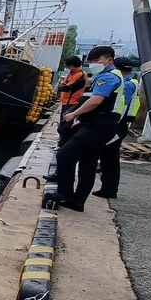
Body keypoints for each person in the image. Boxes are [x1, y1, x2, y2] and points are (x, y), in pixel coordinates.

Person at [53, 46, 121, 212]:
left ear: (109, 60)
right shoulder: (115, 75)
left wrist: (74, 114)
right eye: (91, 61)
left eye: (97, 61)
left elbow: (96, 101)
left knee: (64, 155)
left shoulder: (108, 77)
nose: (93, 64)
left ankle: (64, 194)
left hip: (98, 126)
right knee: (87, 163)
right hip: (103, 124)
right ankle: (77, 202)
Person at [94, 57, 141, 198]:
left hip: (117, 124)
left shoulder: (126, 85)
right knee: (109, 158)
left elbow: (121, 107)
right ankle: (108, 187)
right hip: (121, 125)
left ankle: (109, 188)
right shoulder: (133, 82)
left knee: (109, 159)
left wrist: (111, 125)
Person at [54, 56, 87, 148]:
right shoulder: (71, 74)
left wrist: (60, 87)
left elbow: (67, 86)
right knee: (63, 122)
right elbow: (63, 83)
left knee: (65, 124)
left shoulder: (80, 75)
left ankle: (63, 144)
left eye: (68, 67)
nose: (68, 69)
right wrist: (61, 86)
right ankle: (61, 142)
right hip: (66, 102)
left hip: (73, 102)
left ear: (72, 65)